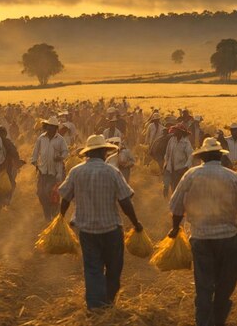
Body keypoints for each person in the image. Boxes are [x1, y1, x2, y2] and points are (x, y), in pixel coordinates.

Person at [169, 137, 237, 326]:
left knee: (203, 284)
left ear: (202, 157)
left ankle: (203, 321)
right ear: (220, 156)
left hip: (200, 238)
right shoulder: (233, 176)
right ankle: (218, 319)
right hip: (228, 239)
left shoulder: (191, 175)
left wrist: (175, 227)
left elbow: (176, 205)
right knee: (225, 283)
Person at [58, 135, 143, 310]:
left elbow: (65, 197)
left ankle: (95, 307)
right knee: (114, 268)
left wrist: (60, 217)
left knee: (92, 268)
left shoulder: (76, 171)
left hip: (87, 230)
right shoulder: (113, 172)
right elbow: (125, 201)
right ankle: (108, 302)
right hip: (111, 229)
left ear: (88, 153)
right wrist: (136, 223)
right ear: (104, 152)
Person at [31, 116, 69, 221]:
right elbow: (35, 151)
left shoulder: (60, 140)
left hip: (55, 172)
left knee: (51, 192)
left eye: (53, 127)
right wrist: (34, 161)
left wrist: (61, 157)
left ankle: (54, 213)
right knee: (40, 193)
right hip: (43, 171)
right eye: (49, 126)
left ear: (56, 128)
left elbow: (66, 152)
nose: (50, 129)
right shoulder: (41, 138)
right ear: (46, 127)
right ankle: (47, 214)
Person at [163, 124, 193, 195]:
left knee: (178, 189)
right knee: (171, 187)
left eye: (177, 131)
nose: (175, 132)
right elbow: (167, 153)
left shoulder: (186, 142)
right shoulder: (172, 140)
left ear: (181, 132)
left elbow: (190, 155)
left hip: (180, 170)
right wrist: (166, 163)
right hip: (170, 168)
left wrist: (186, 167)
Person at [0, 125, 23, 204]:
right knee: (11, 183)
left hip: (2, 168)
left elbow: (15, 154)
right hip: (5, 168)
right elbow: (15, 153)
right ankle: (7, 199)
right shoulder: (8, 142)